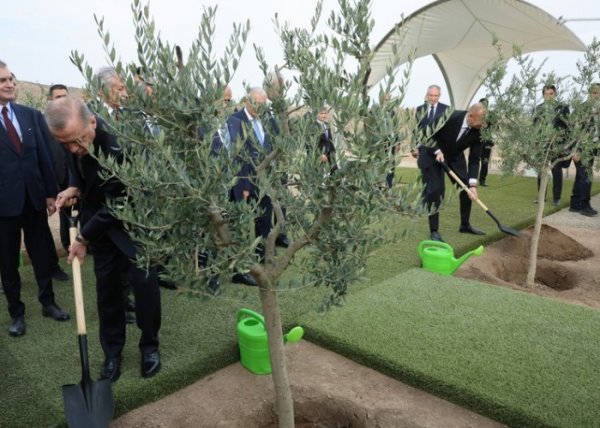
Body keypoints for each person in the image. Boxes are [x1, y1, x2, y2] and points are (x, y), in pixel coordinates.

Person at [46, 96, 162, 382]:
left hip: (135, 222)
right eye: (65, 144)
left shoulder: (119, 144)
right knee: (107, 289)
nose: (74, 148)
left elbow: (118, 203)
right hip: (101, 228)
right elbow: (77, 167)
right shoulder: (73, 136)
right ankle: (112, 352)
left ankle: (150, 347)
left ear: (93, 122)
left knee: (144, 287)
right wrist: (74, 186)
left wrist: (82, 237)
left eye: (78, 141)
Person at [0, 60, 70, 337]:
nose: (9, 84)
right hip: (3, 206)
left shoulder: (30, 115)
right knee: (7, 262)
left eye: (11, 79)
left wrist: (51, 192)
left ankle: (48, 303)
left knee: (42, 255)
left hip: (34, 200)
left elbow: (43, 155)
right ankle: (16, 313)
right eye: (3, 80)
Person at [226, 87, 279, 285]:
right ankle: (237, 270)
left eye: (262, 104)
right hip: (244, 181)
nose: (259, 107)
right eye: (256, 103)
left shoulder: (265, 120)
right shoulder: (235, 120)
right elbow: (238, 155)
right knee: (239, 225)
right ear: (247, 100)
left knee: (264, 220)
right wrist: (245, 185)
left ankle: (261, 256)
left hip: (264, 180)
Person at [416, 102, 487, 242]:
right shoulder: (450, 116)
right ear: (471, 116)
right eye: (480, 122)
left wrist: (473, 185)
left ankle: (465, 225)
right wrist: (437, 151)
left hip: (454, 157)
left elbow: (474, 158)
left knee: (466, 189)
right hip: (432, 153)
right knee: (436, 190)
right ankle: (434, 231)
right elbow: (426, 133)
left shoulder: (480, 130)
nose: (482, 126)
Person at [533, 84, 571, 206]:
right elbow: (534, 127)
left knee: (556, 171)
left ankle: (556, 198)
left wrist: (565, 144)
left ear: (555, 94)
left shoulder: (563, 108)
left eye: (551, 94)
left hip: (557, 144)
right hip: (542, 145)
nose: (549, 96)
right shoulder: (538, 109)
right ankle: (541, 197)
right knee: (541, 171)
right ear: (543, 95)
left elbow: (568, 127)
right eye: (546, 94)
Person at [569, 83, 600, 216]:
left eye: (598, 93)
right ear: (589, 93)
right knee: (587, 175)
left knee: (581, 176)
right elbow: (571, 130)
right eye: (594, 92)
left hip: (592, 148)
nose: (596, 95)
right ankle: (584, 205)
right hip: (580, 148)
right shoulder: (581, 108)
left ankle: (575, 204)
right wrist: (573, 150)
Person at [478, 98, 494, 187]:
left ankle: (482, 180)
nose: (483, 106)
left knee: (485, 162)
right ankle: (472, 179)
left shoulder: (490, 115)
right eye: (482, 104)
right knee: (475, 160)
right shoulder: (476, 114)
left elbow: (493, 127)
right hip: (477, 141)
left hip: (487, 142)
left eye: (485, 104)